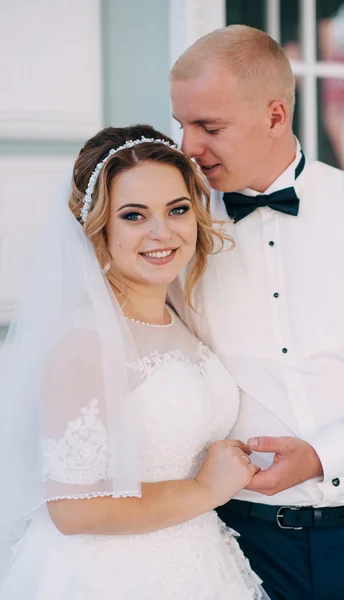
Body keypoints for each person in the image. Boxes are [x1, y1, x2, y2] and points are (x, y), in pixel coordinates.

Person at [169, 25, 344, 600]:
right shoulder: (175, 235)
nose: (188, 147)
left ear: (275, 116)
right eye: (182, 125)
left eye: (209, 127)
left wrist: (324, 456)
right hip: (229, 546)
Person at [0, 124, 269, 599]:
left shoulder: (178, 316)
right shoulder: (83, 341)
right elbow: (74, 511)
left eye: (178, 209)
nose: (161, 233)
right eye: (134, 215)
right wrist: (207, 491)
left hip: (199, 562)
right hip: (108, 577)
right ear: (98, 226)